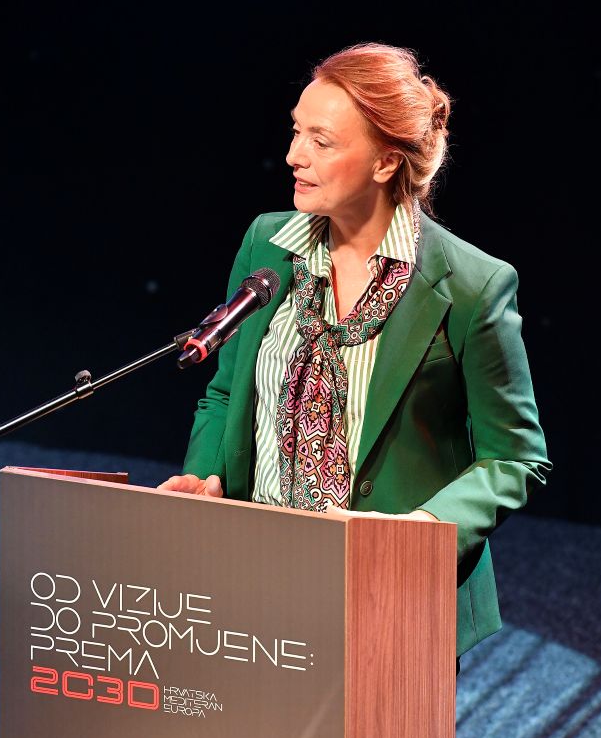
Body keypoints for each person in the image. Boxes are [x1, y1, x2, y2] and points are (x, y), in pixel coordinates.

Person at [158, 43, 550, 658]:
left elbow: (515, 458)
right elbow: (227, 391)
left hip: (390, 600)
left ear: (386, 162)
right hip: (253, 586)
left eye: (321, 141)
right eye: (296, 132)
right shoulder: (267, 244)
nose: (294, 155)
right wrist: (207, 475)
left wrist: (421, 534)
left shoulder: (472, 287)